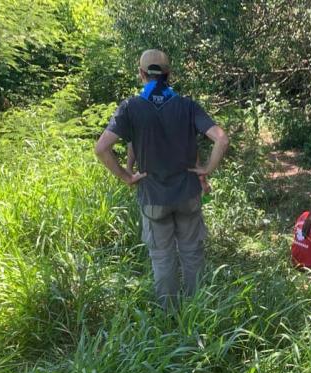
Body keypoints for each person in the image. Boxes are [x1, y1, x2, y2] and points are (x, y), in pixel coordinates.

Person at [95, 49, 228, 310]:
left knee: (162, 258)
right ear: (169, 74)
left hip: (154, 198)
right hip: (188, 196)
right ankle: (198, 311)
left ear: (141, 73)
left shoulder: (131, 107)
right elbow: (221, 139)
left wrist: (126, 176)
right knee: (192, 253)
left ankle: (169, 317)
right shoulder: (188, 106)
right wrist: (207, 169)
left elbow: (101, 148)